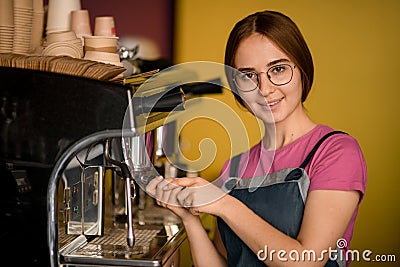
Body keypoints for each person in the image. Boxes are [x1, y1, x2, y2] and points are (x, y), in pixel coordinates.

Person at [147, 10, 367, 267]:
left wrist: (222, 203)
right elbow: (223, 263)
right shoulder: (235, 166)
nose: (264, 89)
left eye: (279, 69)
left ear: (303, 68)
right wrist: (189, 219)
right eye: (248, 76)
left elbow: (304, 262)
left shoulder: (336, 152)